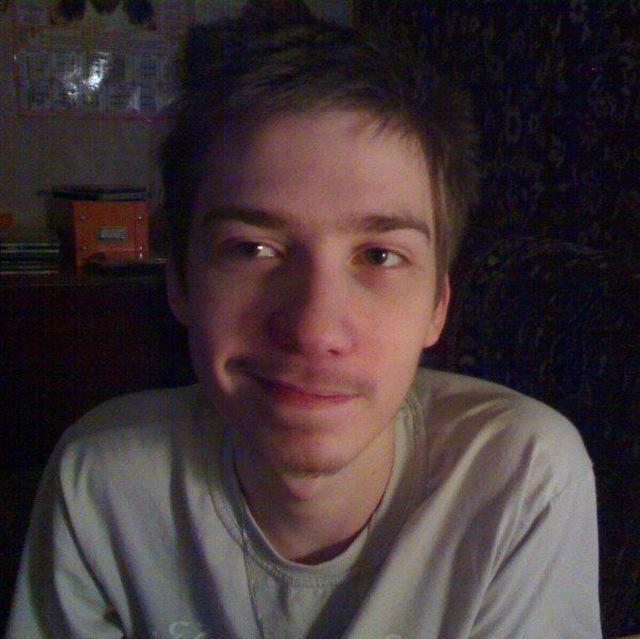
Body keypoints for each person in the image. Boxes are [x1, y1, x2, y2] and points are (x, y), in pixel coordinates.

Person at [7, 13, 601, 639]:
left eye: (379, 256)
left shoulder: (518, 477)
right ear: (178, 280)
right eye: (251, 249)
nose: (315, 330)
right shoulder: (102, 480)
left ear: (438, 305)